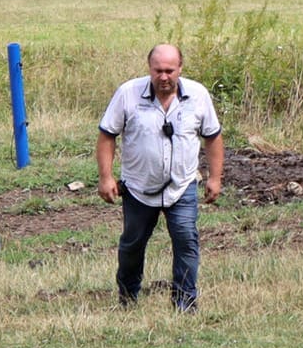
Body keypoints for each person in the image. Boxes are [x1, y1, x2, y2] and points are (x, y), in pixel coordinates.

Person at [96, 44, 224, 311]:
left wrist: (215, 178)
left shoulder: (198, 95)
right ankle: (128, 298)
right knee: (132, 245)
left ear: (180, 69)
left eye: (169, 71)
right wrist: (106, 177)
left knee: (186, 240)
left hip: (182, 186)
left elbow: (212, 137)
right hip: (139, 189)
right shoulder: (128, 94)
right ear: (149, 69)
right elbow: (107, 135)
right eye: (158, 71)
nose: (164, 77)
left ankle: (185, 303)